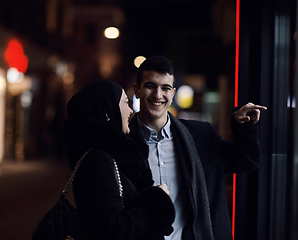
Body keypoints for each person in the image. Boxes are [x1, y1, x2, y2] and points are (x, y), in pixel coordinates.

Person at [129, 56, 267, 240]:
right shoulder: (122, 141)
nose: (158, 94)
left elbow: (247, 160)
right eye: (150, 86)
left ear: (173, 93)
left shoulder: (200, 135)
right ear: (137, 90)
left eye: (165, 88)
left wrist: (244, 126)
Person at [63, 80, 175, 240]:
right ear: (108, 111)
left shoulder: (108, 156)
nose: (130, 111)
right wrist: (156, 201)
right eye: (124, 103)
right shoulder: (98, 161)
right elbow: (112, 229)